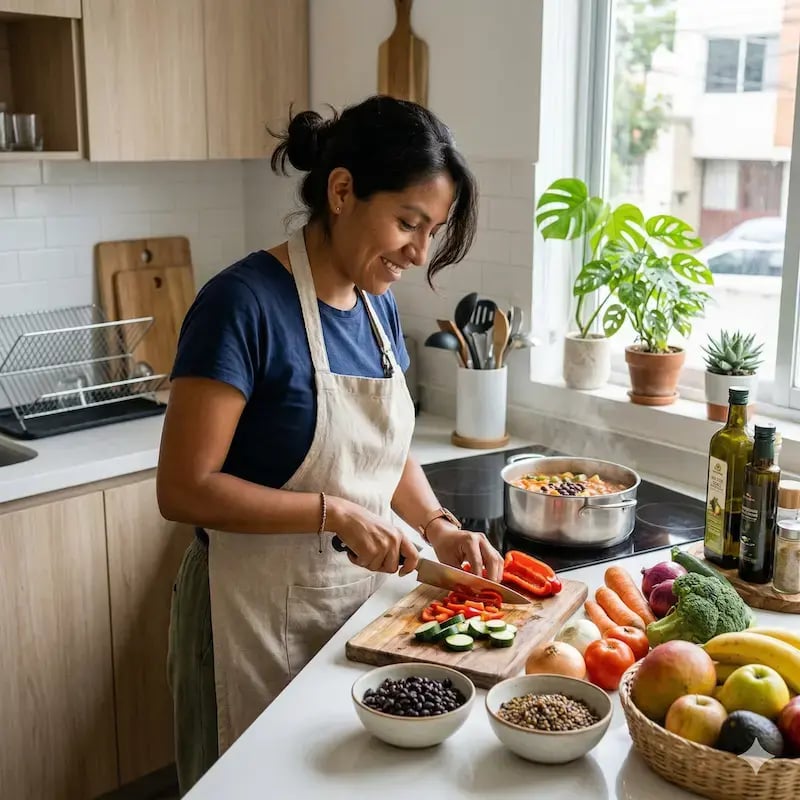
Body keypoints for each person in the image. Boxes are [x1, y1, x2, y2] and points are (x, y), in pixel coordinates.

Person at [157, 94, 505, 795]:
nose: (418, 252)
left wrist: (437, 525)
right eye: (408, 222)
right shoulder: (242, 304)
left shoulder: (376, 305)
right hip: (244, 614)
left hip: (357, 609)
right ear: (342, 191)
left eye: (431, 231)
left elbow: (382, 447)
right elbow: (184, 488)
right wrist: (337, 514)